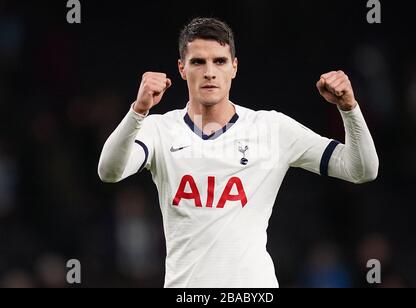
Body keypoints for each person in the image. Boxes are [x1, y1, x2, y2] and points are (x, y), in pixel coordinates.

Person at [98, 17, 379, 288]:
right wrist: (138, 111)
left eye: (219, 61)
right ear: (182, 68)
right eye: (198, 62)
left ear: (234, 67)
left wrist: (349, 108)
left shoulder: (272, 128)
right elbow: (109, 171)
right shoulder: (159, 129)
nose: (209, 71)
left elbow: (362, 170)